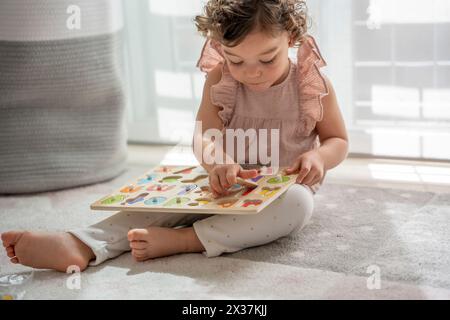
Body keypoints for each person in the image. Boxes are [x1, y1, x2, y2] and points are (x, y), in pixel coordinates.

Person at [1, 0, 348, 272]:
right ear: (218, 47)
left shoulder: (310, 85)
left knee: (299, 206)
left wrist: (318, 157)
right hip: (223, 185)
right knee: (167, 200)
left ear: (291, 35)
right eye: (236, 61)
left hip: (280, 190)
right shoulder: (220, 80)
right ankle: (82, 243)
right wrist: (217, 162)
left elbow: (338, 141)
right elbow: (204, 137)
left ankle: (186, 240)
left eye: (267, 58)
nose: (251, 73)